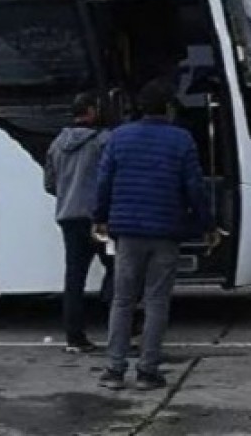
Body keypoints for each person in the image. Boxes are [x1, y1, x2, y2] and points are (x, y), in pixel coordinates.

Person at [94, 79, 217, 391]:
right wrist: (206, 224)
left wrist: (100, 217)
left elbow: (104, 180)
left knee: (122, 300)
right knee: (157, 301)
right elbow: (194, 187)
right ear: (169, 108)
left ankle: (114, 369)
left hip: (127, 231)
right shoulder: (181, 140)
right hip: (165, 230)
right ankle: (148, 370)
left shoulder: (119, 137)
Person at [44, 91, 113, 353]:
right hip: (99, 219)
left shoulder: (57, 144)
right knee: (117, 268)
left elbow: (50, 184)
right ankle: (120, 322)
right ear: (92, 111)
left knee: (75, 278)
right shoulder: (103, 141)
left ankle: (74, 337)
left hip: (68, 217)